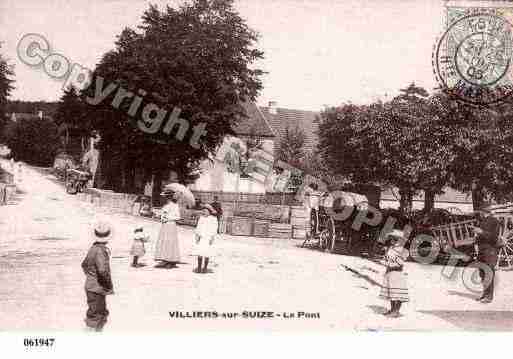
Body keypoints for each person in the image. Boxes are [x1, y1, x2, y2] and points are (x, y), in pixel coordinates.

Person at [81, 220, 114, 331]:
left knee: (97, 312)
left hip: (91, 286)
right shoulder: (101, 251)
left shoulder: (93, 248)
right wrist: (108, 284)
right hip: (97, 288)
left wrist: (90, 275)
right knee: (96, 315)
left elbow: (84, 265)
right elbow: (102, 271)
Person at [379, 229, 409, 318]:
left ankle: (396, 311)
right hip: (389, 272)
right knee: (391, 293)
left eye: (395, 239)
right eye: (391, 239)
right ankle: (392, 310)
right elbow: (386, 259)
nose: (392, 241)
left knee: (397, 293)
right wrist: (384, 261)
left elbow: (399, 263)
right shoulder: (390, 249)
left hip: (397, 273)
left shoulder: (403, 250)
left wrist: (387, 264)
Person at [473, 206, 500, 303]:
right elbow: (478, 237)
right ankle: (485, 294)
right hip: (481, 250)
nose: (480, 213)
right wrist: (476, 242)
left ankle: (489, 297)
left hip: (490, 250)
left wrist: (481, 232)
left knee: (488, 272)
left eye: (481, 211)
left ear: (484, 211)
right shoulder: (481, 221)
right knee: (482, 273)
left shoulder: (494, 221)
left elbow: (494, 237)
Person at [154, 190, 181, 268]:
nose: (165, 199)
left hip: (171, 225)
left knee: (170, 242)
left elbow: (177, 217)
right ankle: (164, 259)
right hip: (165, 225)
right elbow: (163, 214)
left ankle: (171, 260)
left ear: (169, 197)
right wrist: (161, 216)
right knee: (164, 241)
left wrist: (168, 218)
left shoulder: (175, 206)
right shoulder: (165, 206)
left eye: (166, 197)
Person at [193, 204, 219, 273]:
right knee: (200, 252)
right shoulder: (201, 218)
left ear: (210, 211)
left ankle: (205, 267)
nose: (204, 212)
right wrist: (197, 236)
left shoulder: (213, 219)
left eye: (206, 211)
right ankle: (199, 267)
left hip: (208, 238)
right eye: (203, 211)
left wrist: (212, 238)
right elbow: (198, 228)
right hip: (202, 238)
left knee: (207, 253)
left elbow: (214, 229)